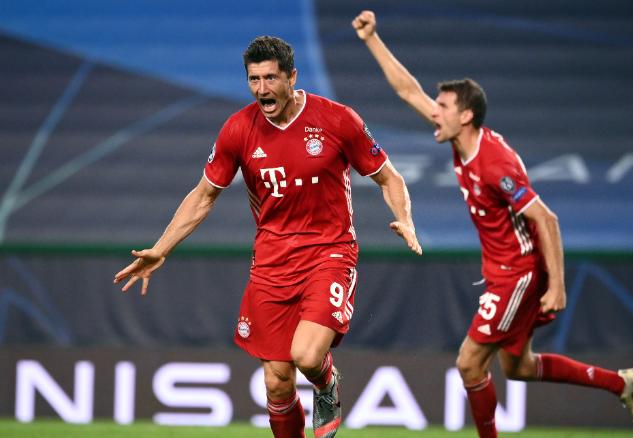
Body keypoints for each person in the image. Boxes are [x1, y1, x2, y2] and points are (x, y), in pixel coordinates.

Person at [353, 10, 633, 435]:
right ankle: (622, 383)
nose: (433, 112)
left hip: (518, 272)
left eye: (443, 107)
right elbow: (408, 92)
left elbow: (546, 218)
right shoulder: (461, 139)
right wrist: (372, 39)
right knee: (519, 366)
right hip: (502, 270)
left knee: (469, 363)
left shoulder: (494, 164)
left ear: (466, 116)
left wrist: (558, 285)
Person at [114, 35, 422, 438]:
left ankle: (327, 383)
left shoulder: (337, 119)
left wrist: (405, 219)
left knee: (308, 356)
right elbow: (204, 195)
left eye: (271, 78)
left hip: (329, 253)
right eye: (254, 80)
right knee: (277, 382)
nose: (262, 89)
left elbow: (389, 177)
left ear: (292, 77)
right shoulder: (239, 130)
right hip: (272, 263)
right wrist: (161, 248)